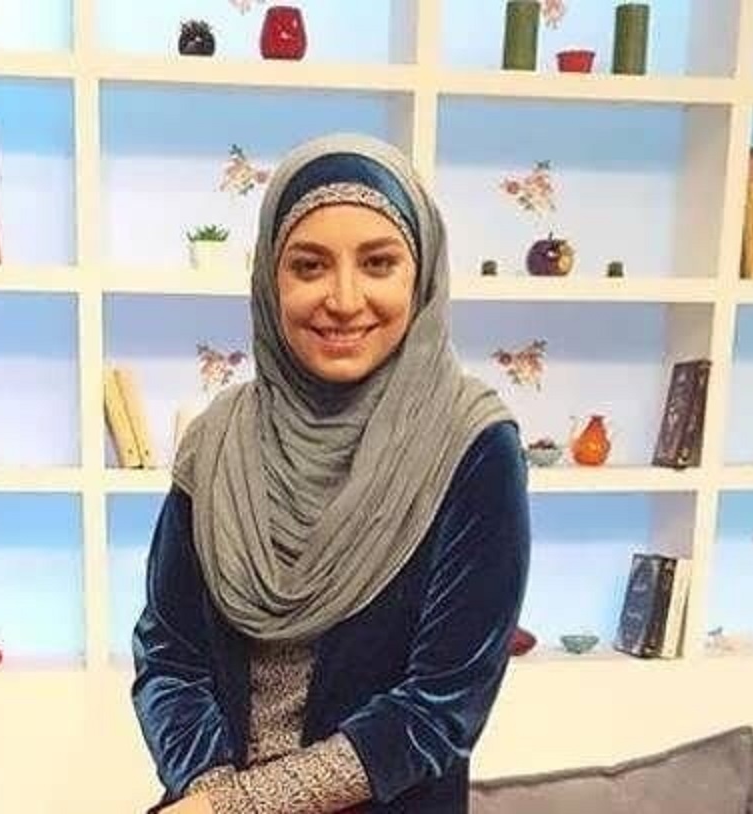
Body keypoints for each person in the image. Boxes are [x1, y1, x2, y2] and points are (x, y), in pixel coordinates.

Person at [130, 132, 531, 814]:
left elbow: (440, 706)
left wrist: (240, 808)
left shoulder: (474, 447)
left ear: (421, 277)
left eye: (378, 264)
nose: (344, 300)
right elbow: (169, 655)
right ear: (270, 281)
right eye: (310, 266)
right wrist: (208, 789)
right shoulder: (217, 442)